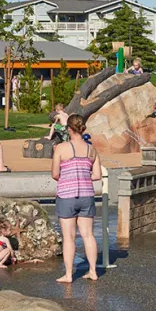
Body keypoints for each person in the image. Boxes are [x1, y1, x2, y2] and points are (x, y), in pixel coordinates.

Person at [52, 114, 102, 283]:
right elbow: (97, 175)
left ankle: (68, 274)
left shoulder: (61, 148)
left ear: (69, 129)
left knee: (69, 237)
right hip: (87, 195)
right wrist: (82, 175)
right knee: (88, 235)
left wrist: (68, 176)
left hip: (67, 195)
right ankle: (93, 271)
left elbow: (55, 174)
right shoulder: (91, 149)